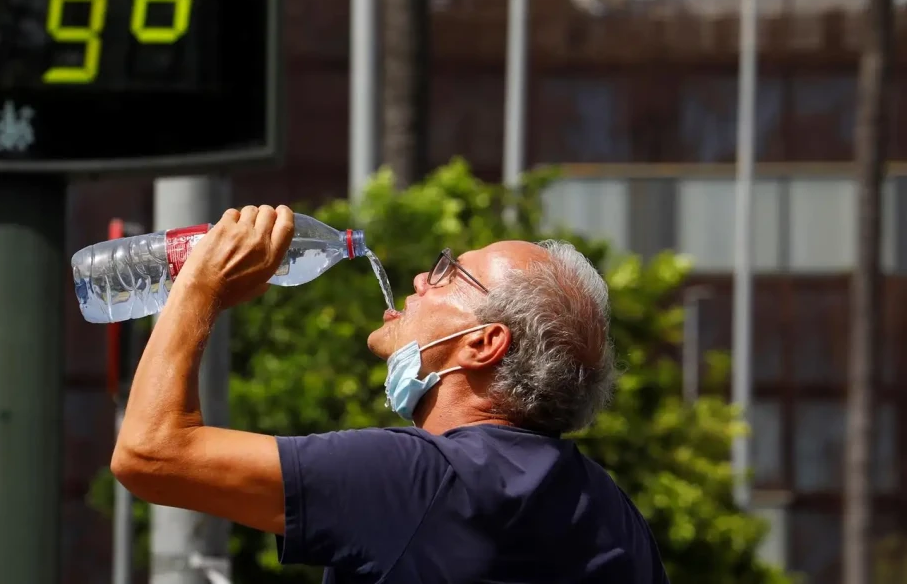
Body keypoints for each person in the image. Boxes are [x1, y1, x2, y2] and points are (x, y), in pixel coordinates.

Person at [111, 204, 670, 583]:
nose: (423, 279)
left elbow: (150, 452)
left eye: (451, 273)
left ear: (484, 343)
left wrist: (201, 285)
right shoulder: (613, 514)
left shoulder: (418, 479)